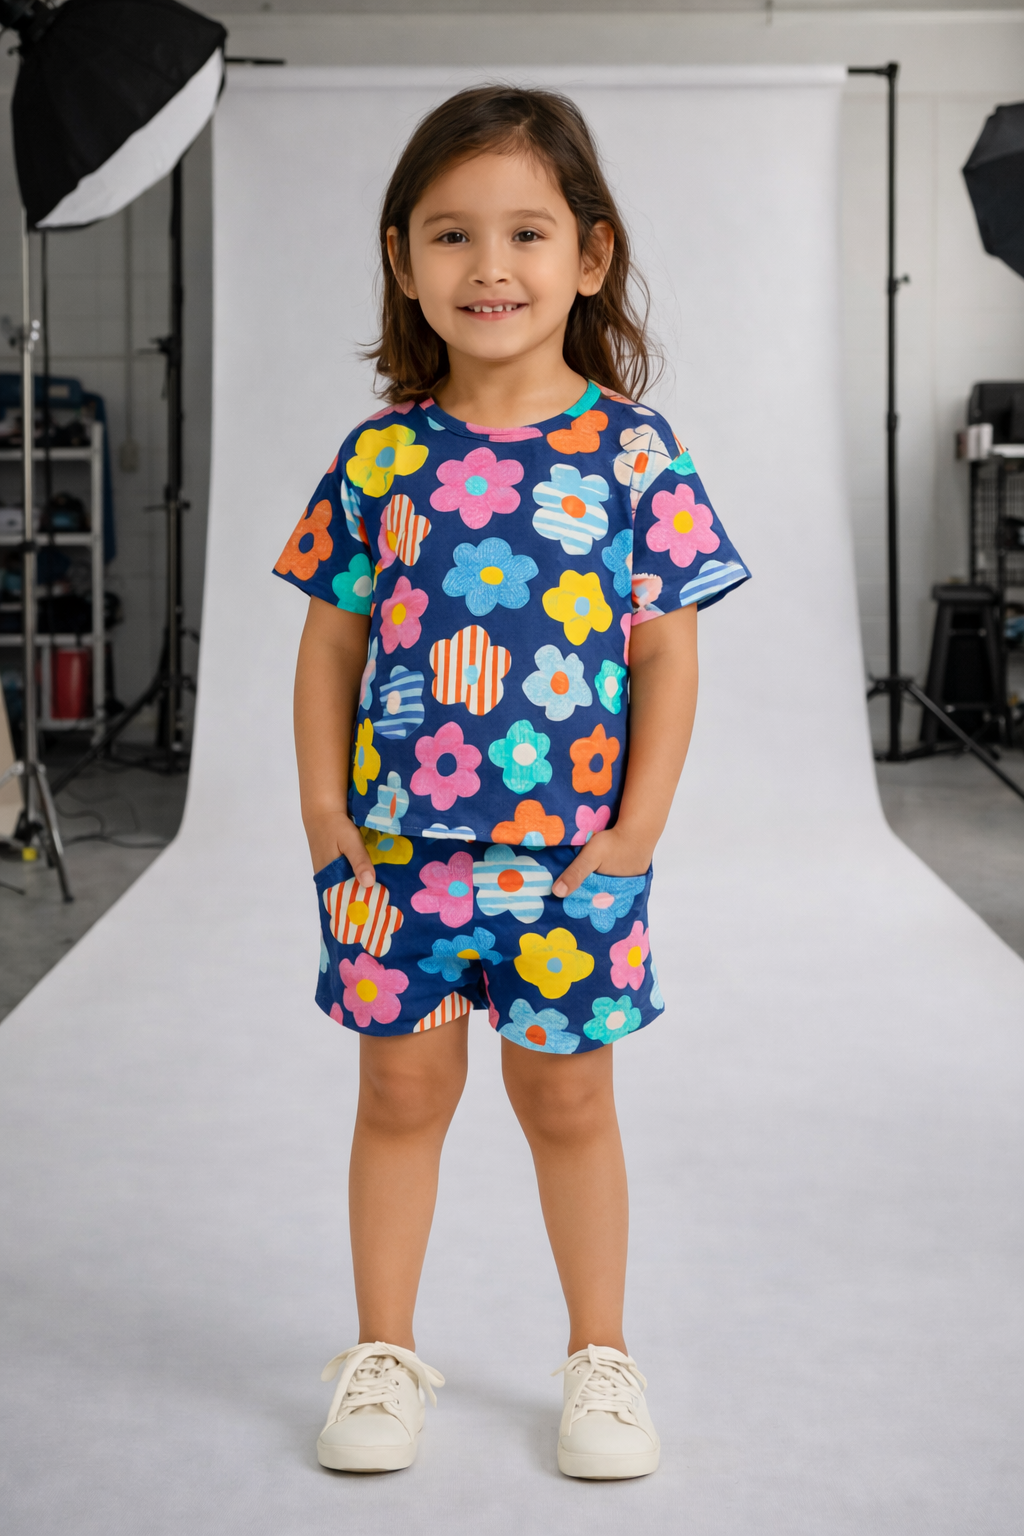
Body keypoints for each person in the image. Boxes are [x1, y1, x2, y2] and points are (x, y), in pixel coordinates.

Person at [273, 84, 749, 1480]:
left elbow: (667, 656)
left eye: (527, 233)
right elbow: (330, 646)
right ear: (402, 258)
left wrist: (638, 831)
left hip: (572, 863)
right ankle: (382, 1353)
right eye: (452, 234)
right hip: (393, 862)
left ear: (589, 256)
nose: (490, 267)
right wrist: (323, 816)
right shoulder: (381, 455)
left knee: (570, 1105)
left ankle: (602, 1358)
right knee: (399, 1097)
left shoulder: (634, 454)